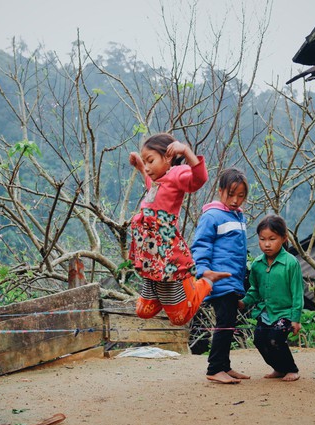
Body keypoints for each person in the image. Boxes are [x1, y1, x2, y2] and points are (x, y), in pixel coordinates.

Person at [129, 133, 230, 326]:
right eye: (145, 162)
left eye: (150, 160)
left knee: (179, 318)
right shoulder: (160, 179)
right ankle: (168, 296)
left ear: (167, 158)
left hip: (166, 255)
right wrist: (141, 168)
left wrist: (186, 151)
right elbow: (153, 189)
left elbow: (200, 179)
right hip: (151, 257)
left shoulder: (177, 174)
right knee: (142, 312)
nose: (148, 167)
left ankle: (205, 281)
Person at [191, 168, 251, 384]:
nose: (235, 200)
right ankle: (214, 368)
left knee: (229, 323)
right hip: (219, 280)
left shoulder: (238, 215)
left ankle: (224, 366)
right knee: (224, 323)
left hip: (233, 280)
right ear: (220, 192)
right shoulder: (212, 216)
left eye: (241, 195)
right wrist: (204, 271)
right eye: (231, 194)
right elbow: (200, 245)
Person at [239, 214, 303, 381]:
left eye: (272, 239)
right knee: (260, 340)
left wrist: (295, 319)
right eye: (262, 239)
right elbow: (255, 290)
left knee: (275, 340)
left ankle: (291, 368)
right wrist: (243, 302)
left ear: (283, 238)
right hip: (266, 313)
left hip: (285, 313)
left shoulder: (291, 263)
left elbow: (297, 294)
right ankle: (279, 368)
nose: (266, 244)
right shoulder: (257, 264)